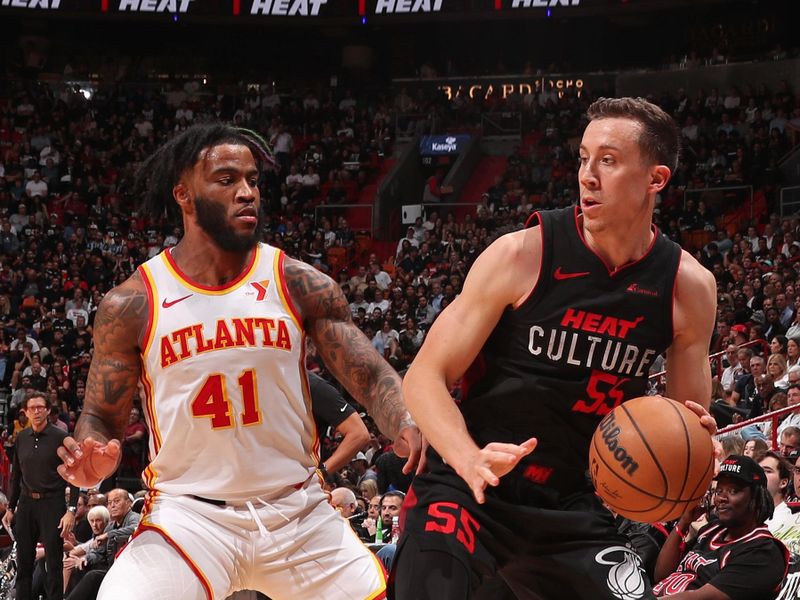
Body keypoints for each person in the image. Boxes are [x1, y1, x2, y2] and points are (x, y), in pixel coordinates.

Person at [56, 123, 421, 600]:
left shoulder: (297, 282)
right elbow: (101, 416)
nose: (247, 192)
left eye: (252, 180)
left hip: (299, 511)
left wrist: (406, 421)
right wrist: (93, 458)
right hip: (190, 517)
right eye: (227, 180)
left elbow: (370, 376)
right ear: (184, 195)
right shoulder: (132, 303)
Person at [393, 97, 718, 599]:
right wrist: (468, 458)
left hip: (571, 501)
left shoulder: (687, 286)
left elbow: (684, 419)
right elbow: (424, 376)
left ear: (655, 179)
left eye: (608, 160)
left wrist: (699, 450)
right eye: (584, 158)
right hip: (470, 487)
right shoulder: (522, 253)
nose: (588, 175)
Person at [653, 455, 788, 598]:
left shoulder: (763, 552)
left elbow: (703, 598)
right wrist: (684, 522)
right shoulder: (711, 530)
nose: (721, 498)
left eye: (733, 491)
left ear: (756, 498)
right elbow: (660, 575)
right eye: (719, 491)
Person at [2, 391, 79, 600]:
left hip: (52, 504)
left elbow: (75, 476)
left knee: (53, 564)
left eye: (40, 408)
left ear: (47, 410)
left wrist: (71, 510)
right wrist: (10, 507)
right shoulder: (21, 438)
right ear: (25, 412)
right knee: (24, 562)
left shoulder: (61, 437)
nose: (36, 411)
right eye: (32, 408)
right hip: (26, 503)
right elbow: (16, 475)